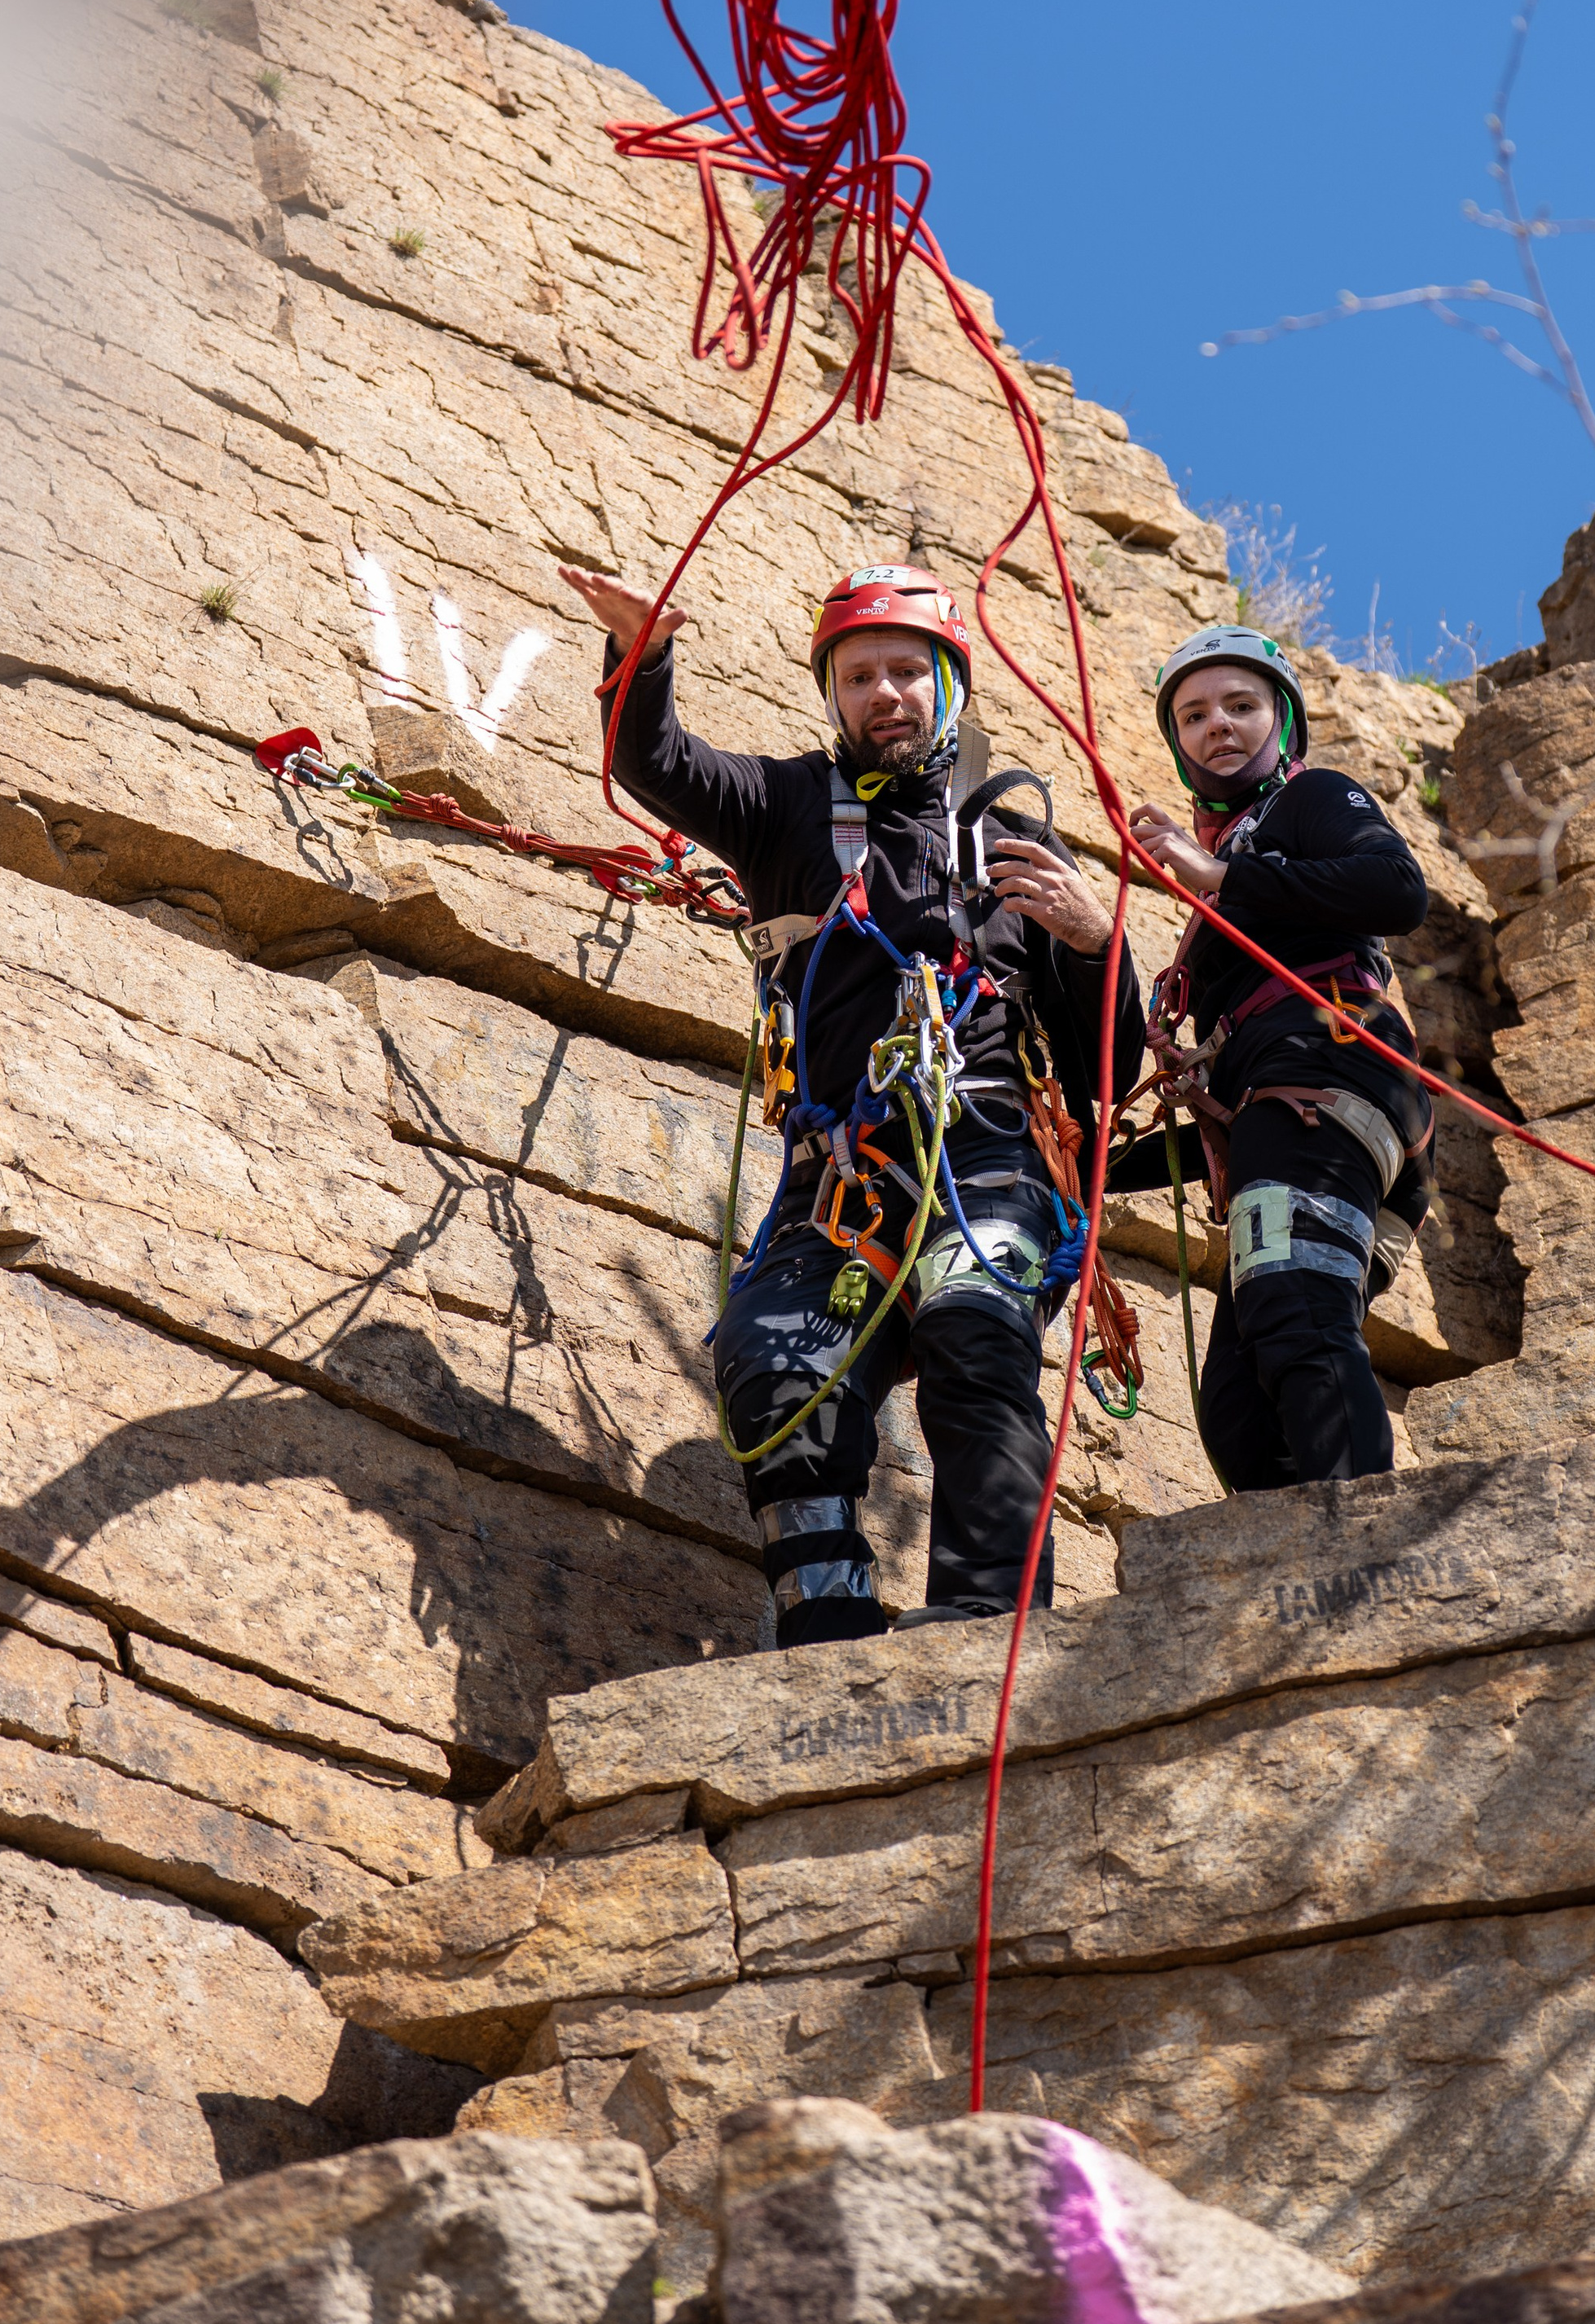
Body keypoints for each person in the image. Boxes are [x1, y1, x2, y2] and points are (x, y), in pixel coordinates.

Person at [559, 559, 1143, 1647]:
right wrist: (644, 656)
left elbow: (1109, 1070)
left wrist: (1098, 942)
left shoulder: (1014, 839)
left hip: (987, 1161)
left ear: (948, 687)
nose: (885, 694)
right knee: (773, 1368)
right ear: (833, 694)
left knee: (978, 1337)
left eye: (908, 672)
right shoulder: (783, 809)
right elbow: (659, 762)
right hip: (844, 1179)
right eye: (861, 675)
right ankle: (827, 1626)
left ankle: (989, 1621)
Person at [1122, 626, 1432, 1491]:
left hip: (1333, 1071)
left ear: (1283, 719)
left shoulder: (1311, 800)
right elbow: (1241, 1122)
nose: (1216, 725)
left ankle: (1364, 1544)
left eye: (1240, 705)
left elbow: (1396, 890)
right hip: (1293, 1105)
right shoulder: (1231, 855)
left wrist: (1221, 880)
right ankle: (1293, 1582)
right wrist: (1091, 1168)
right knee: (1237, 1406)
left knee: (1294, 1310)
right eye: (1192, 715)